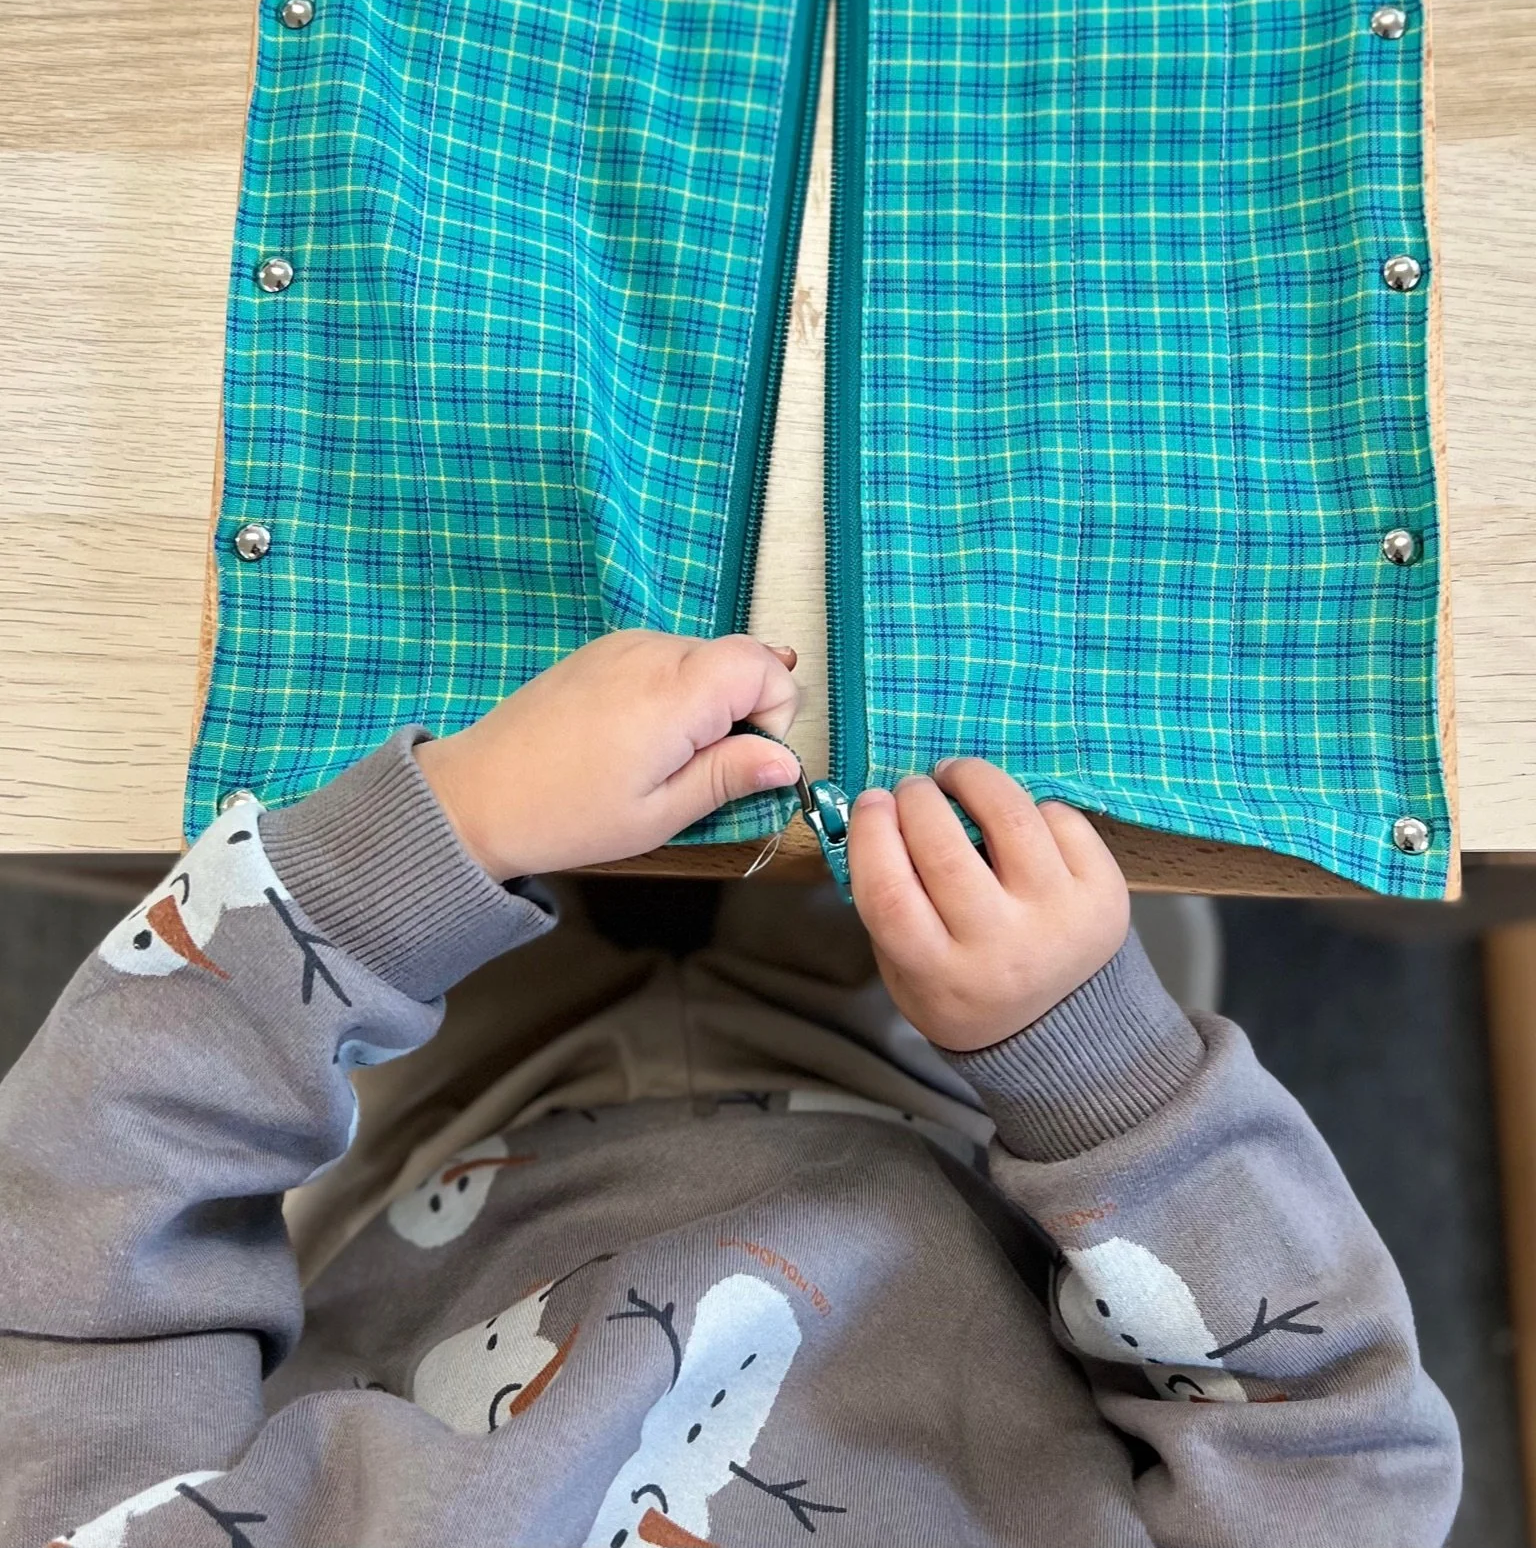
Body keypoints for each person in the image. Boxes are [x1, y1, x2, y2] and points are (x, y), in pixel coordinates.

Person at [0, 630, 1459, 1547]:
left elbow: (68, 1288)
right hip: (957, 1094)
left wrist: (430, 844)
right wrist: (1091, 1064)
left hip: (437, 1116)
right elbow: (1342, 1468)